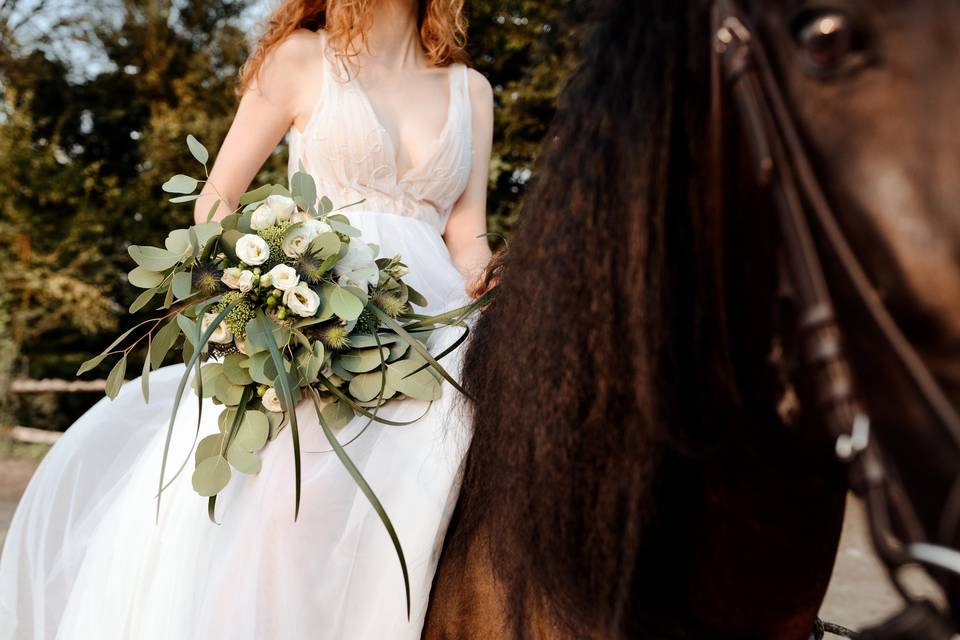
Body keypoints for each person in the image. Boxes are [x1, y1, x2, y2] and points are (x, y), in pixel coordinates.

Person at [0, 0, 493, 637]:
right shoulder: (299, 58)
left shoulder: (471, 90)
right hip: (320, 328)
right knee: (294, 512)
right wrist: (258, 299)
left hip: (433, 334)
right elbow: (217, 201)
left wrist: (495, 286)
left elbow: (467, 238)